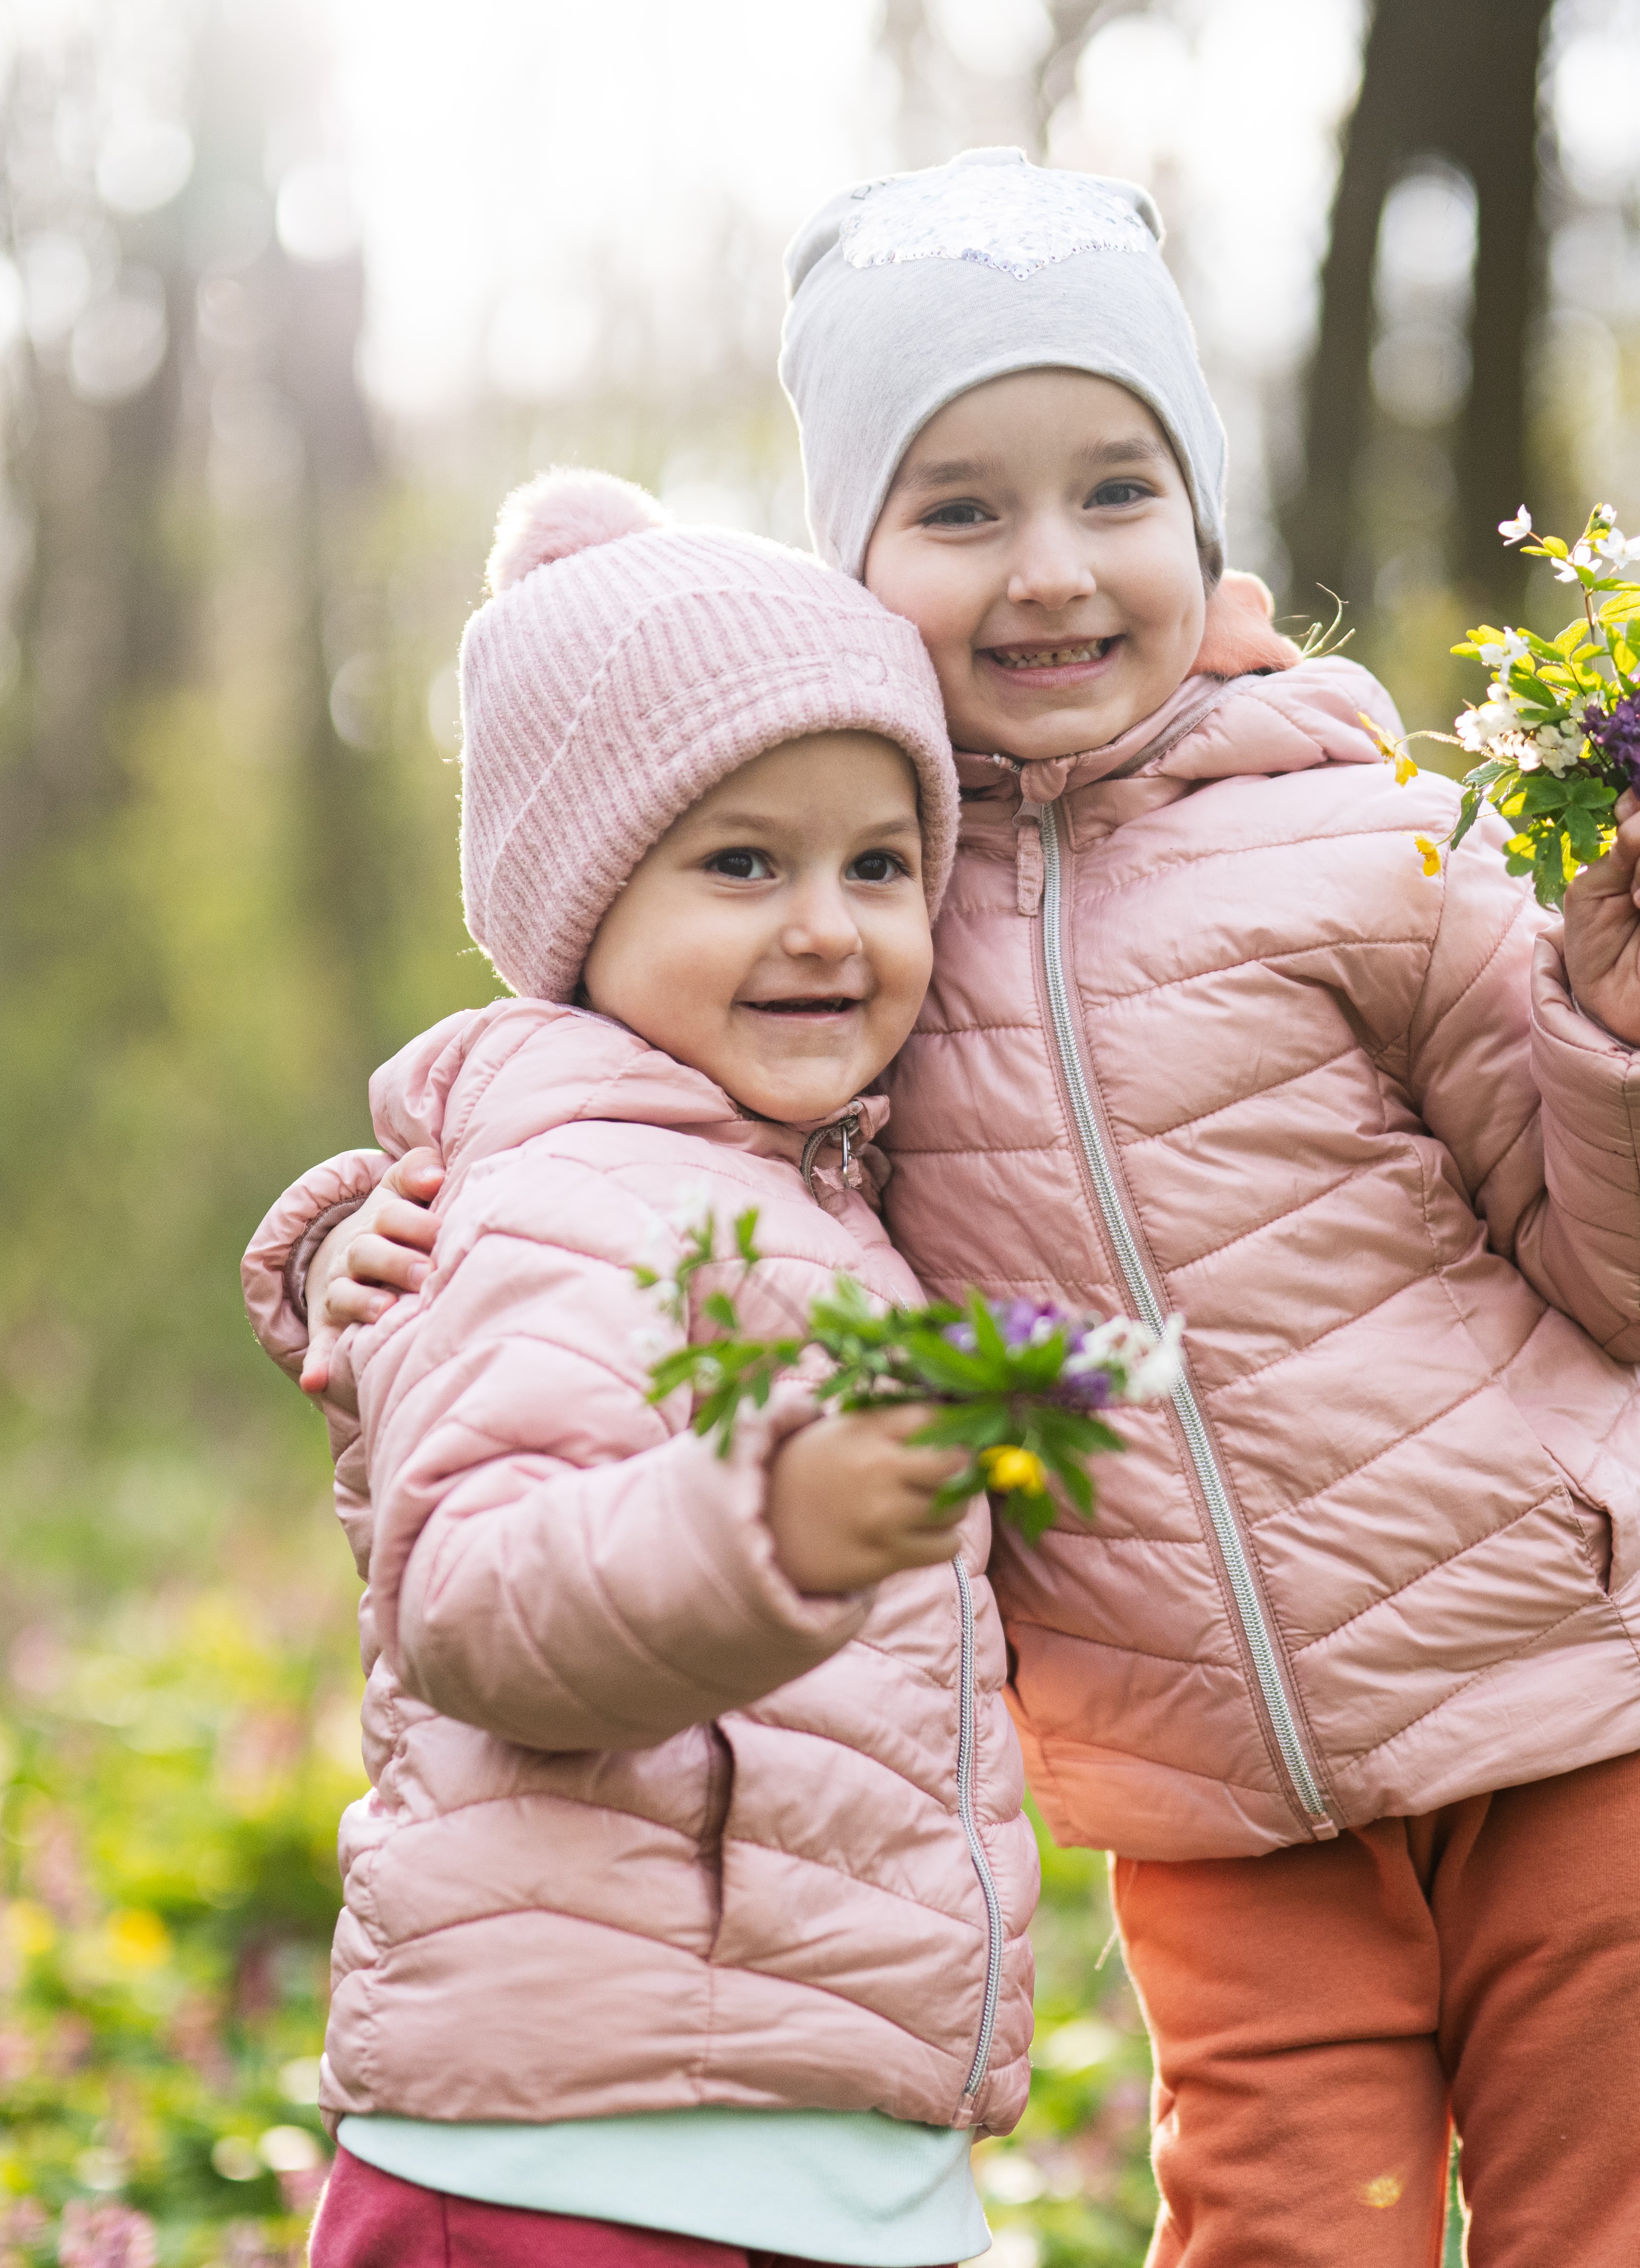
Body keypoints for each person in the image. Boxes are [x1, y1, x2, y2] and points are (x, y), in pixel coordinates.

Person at [306, 152, 1640, 2268]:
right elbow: (619, 1154)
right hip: (1208, 1793)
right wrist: (358, 1236)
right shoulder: (856, 925)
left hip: (1579, 1692)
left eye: (1117, 491)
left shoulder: (1367, 834)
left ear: (1204, 518)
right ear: (851, 562)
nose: (1052, 570)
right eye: (960, 509)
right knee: (1286, 2234)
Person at [241, 469, 1035, 2268]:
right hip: (581, 2162)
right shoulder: (564, 1203)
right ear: (584, 903)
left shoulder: (826, 1198)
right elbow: (475, 1599)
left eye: (880, 864)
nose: (827, 925)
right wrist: (768, 1528)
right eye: (742, 862)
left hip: (810, 2146)